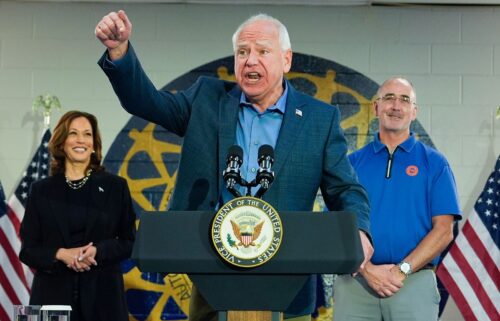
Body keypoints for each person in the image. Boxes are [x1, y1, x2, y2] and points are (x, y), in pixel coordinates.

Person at [95, 11, 373, 321]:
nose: (250, 60)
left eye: (262, 51)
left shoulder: (320, 119)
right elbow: (146, 102)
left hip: (288, 285)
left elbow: (345, 188)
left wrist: (359, 231)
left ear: (286, 60)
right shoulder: (206, 98)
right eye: (242, 52)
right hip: (214, 276)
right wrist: (119, 53)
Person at [334, 77, 461, 321]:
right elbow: (337, 227)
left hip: (413, 283)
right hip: (357, 283)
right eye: (389, 98)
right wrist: (368, 270)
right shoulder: (351, 164)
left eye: (405, 100)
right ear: (376, 107)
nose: (396, 106)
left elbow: (444, 231)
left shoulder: (435, 164)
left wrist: (401, 271)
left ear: (414, 112)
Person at [19, 110, 136, 321]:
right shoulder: (41, 190)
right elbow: (27, 251)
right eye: (73, 133)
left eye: (87, 134)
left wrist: (97, 252)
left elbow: (130, 241)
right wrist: (61, 254)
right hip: (50, 296)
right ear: (62, 142)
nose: (80, 140)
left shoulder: (115, 187)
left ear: (94, 145)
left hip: (104, 299)